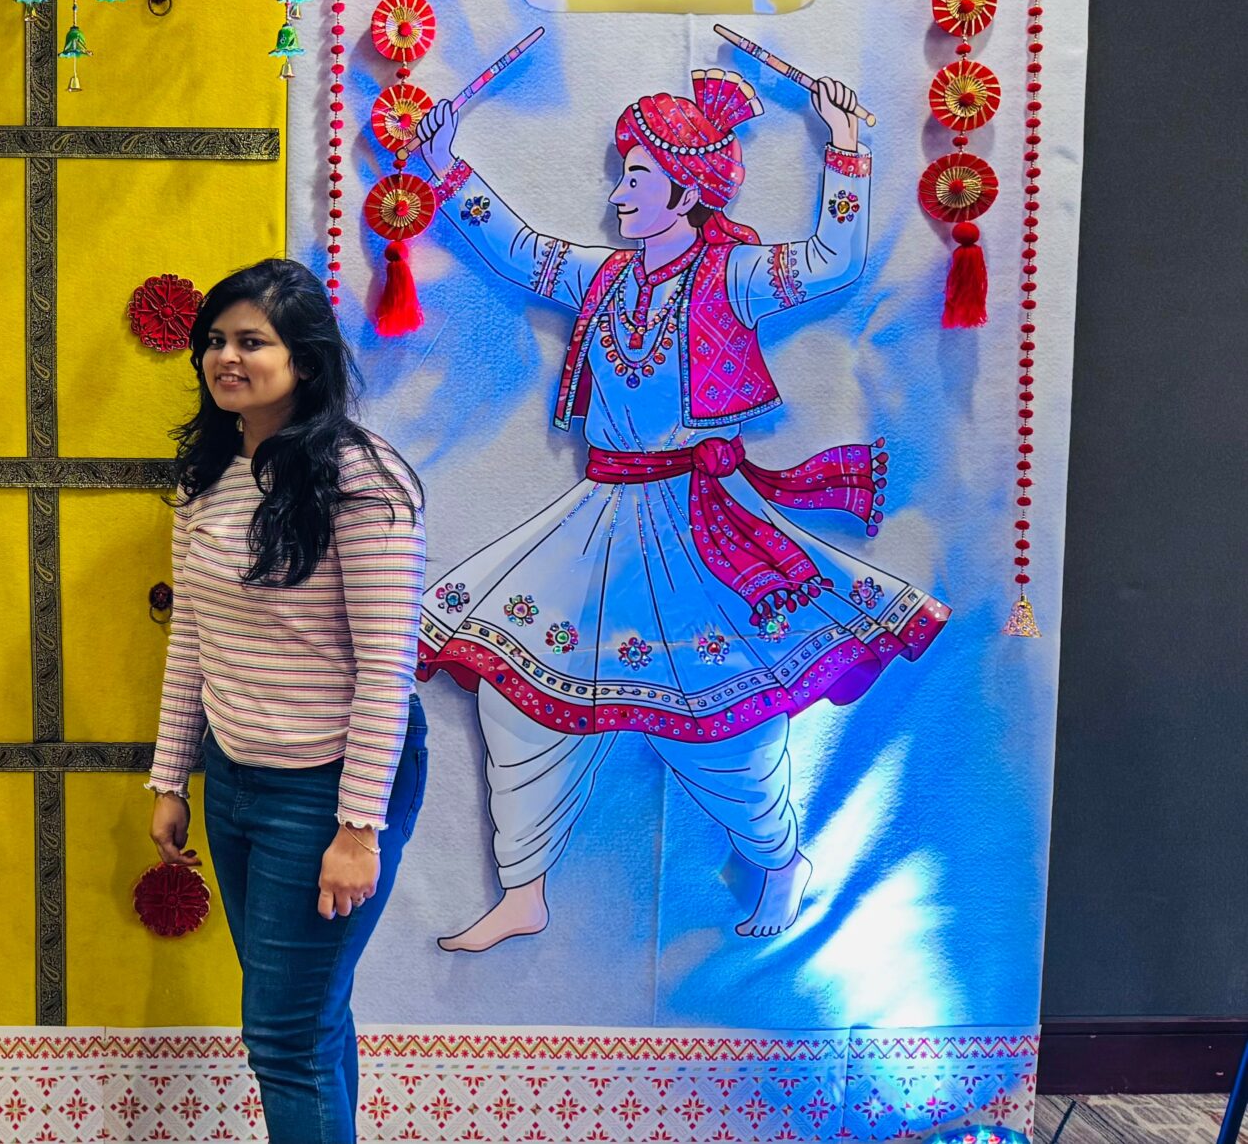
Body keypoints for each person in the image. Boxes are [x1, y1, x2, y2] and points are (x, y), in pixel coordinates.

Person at [410, 71, 947, 952]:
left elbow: (830, 262)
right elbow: (523, 249)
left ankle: (778, 860)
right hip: (602, 513)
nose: (618, 193)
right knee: (519, 702)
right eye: (623, 174)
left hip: (700, 520)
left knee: (721, 717)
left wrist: (846, 151)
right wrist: (445, 167)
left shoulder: (732, 274)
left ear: (687, 191)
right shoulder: (607, 278)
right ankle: (524, 889)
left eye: (636, 176)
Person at [145, 258, 429, 1144]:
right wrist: (170, 780)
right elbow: (191, 637)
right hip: (236, 778)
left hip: (330, 786)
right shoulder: (210, 476)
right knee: (310, 1018)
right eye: (215, 342)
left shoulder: (362, 480)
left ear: (302, 359)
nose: (227, 358)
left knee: (282, 1034)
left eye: (252, 342)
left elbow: (389, 670)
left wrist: (357, 828)